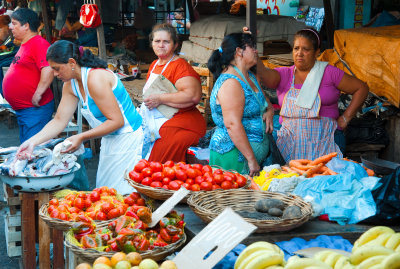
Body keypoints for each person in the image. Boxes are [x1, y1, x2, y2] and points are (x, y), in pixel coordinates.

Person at [17, 40, 144, 195]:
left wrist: (81, 137)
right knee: (106, 193)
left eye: (57, 69)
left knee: (122, 194)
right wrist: (32, 142)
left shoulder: (95, 78)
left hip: (129, 139)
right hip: (110, 140)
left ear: (71, 62)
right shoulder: (71, 85)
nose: (55, 74)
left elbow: (117, 121)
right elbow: (59, 120)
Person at [253, 27, 369, 162]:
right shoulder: (285, 75)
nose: (299, 53)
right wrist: (251, 47)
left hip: (326, 141)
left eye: (305, 49)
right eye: (296, 48)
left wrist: (345, 118)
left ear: (316, 52)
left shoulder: (329, 73)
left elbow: (361, 88)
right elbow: (262, 73)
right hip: (288, 144)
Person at [207, 33, 274, 176]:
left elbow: (264, 100)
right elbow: (232, 124)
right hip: (233, 156)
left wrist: (269, 110)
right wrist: (251, 159)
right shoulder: (231, 83)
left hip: (251, 158)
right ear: (239, 51)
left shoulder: (250, 76)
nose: (256, 51)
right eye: (252, 47)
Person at [141, 23, 206, 163]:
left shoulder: (180, 66)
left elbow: (193, 96)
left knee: (158, 160)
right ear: (152, 43)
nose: (161, 45)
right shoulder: (154, 65)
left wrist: (160, 99)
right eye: (157, 41)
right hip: (159, 120)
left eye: (166, 42)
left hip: (184, 124)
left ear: (175, 45)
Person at [2, 8, 55, 143]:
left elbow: (48, 69)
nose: (10, 27)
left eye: (14, 23)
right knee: (28, 148)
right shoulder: (26, 44)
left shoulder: (39, 43)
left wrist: (39, 92)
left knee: (33, 149)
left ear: (26, 26)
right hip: (26, 111)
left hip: (35, 109)